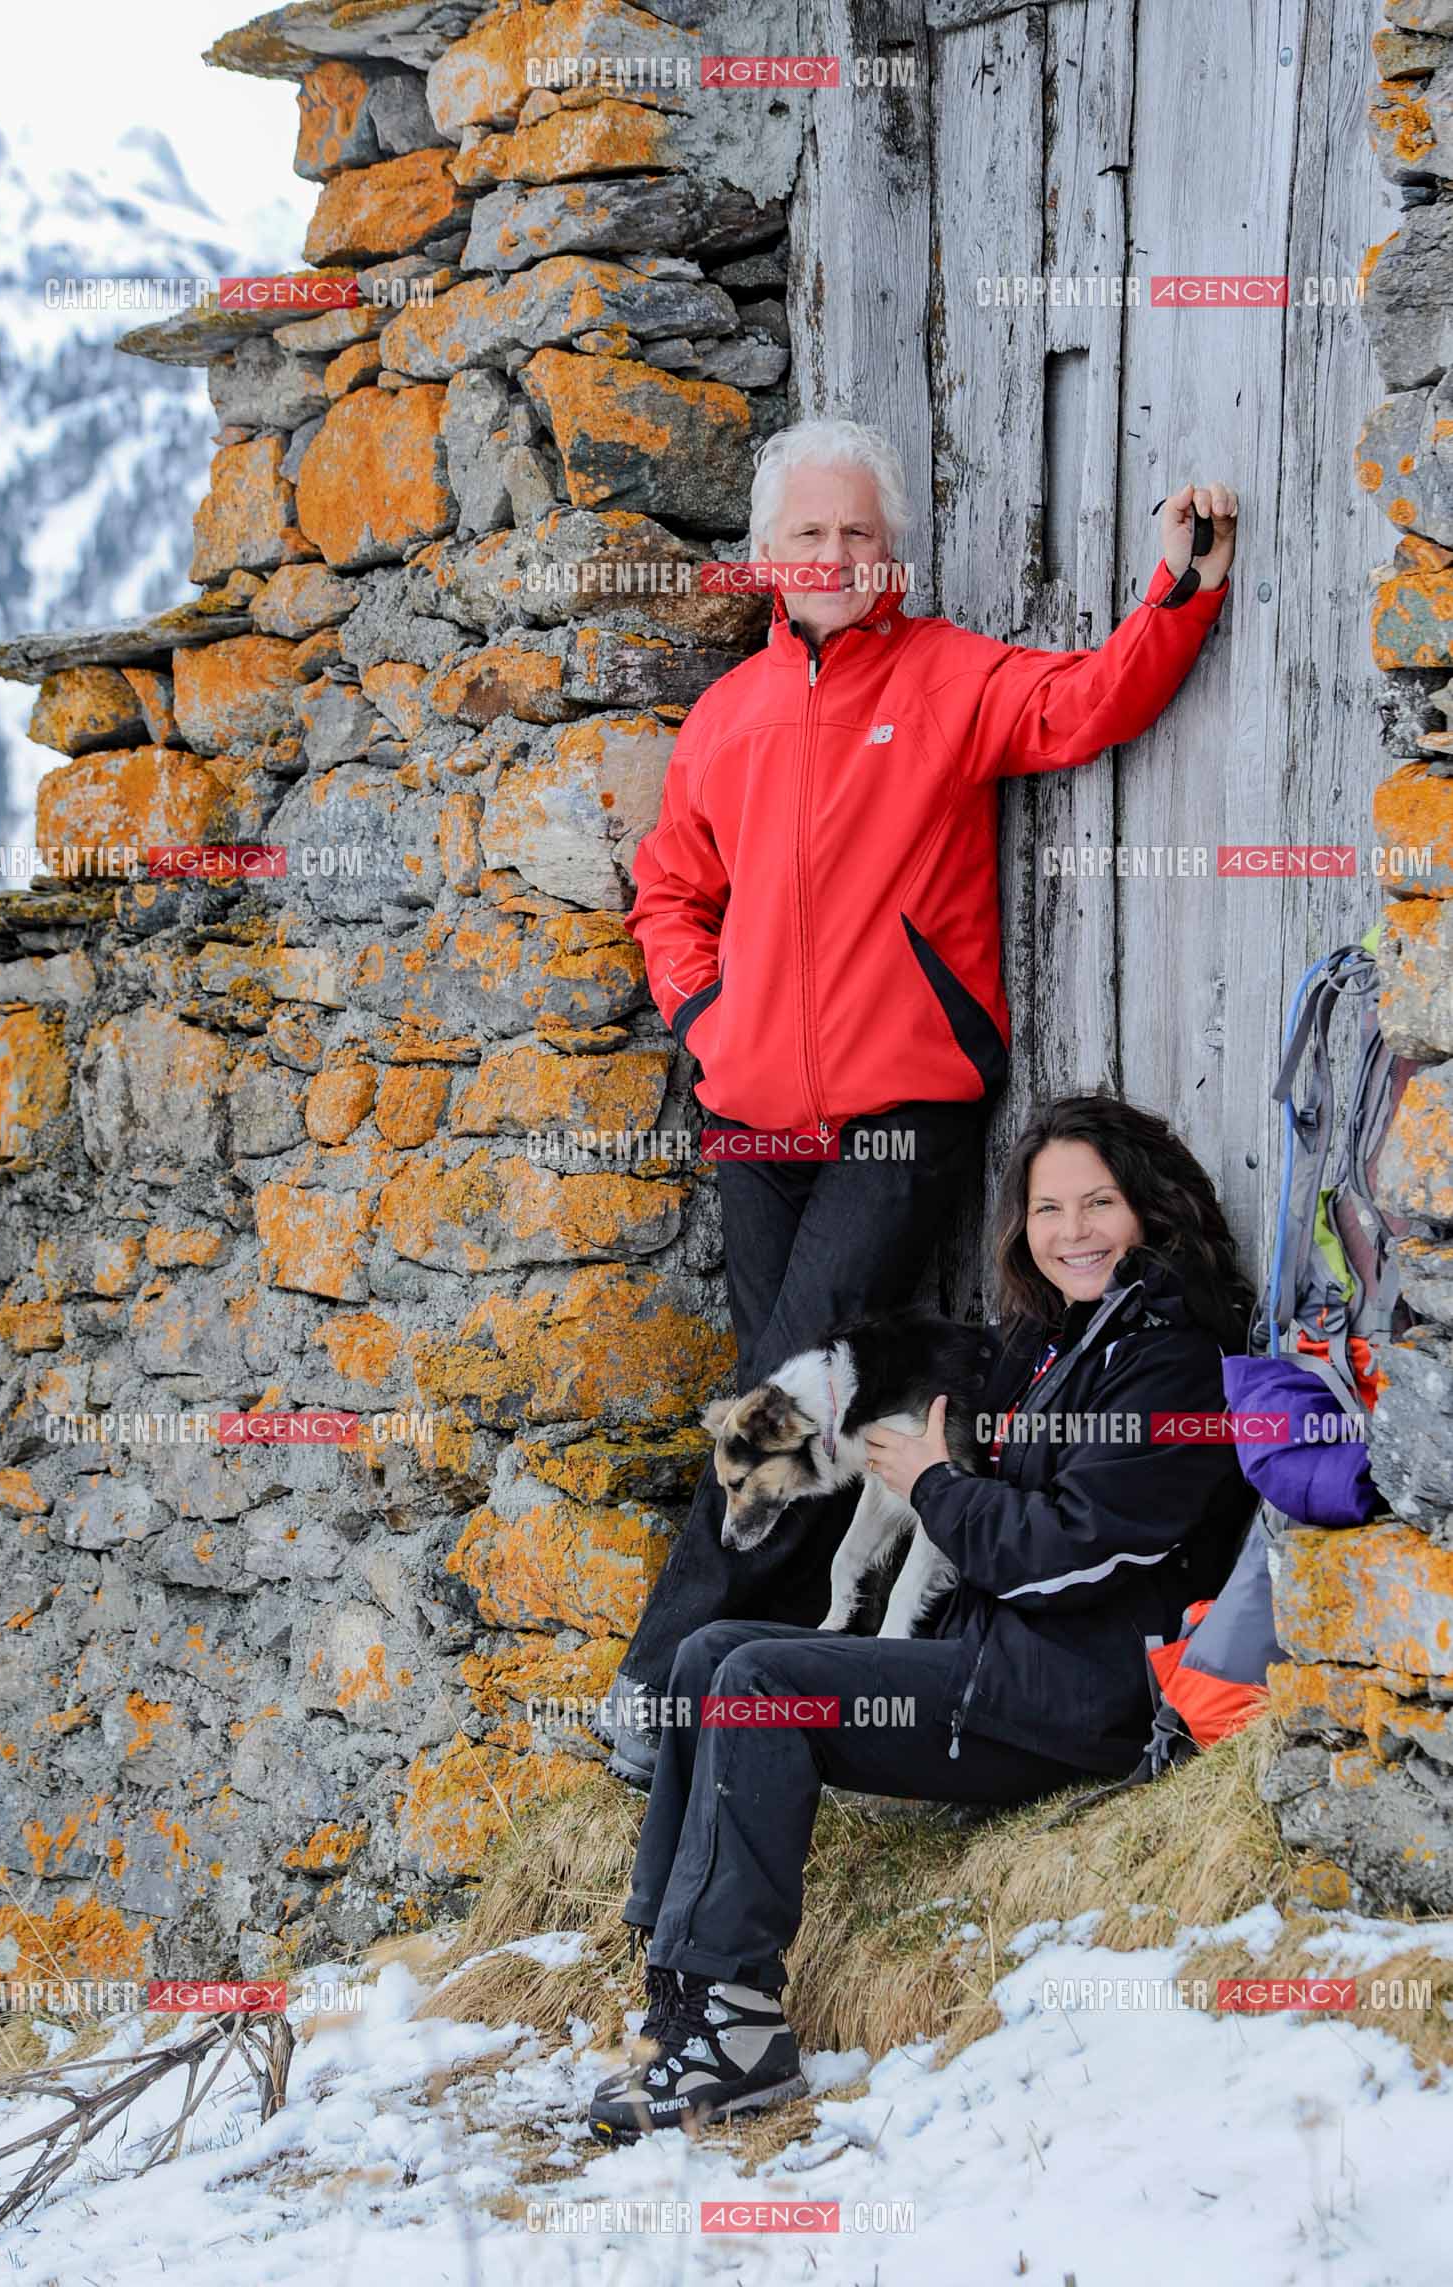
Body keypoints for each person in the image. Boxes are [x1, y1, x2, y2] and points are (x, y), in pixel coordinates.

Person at [604, 416, 1239, 1785]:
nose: (834, 554)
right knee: (792, 1406)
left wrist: (1175, 595)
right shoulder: (728, 719)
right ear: (765, 557)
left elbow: (1084, 703)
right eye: (808, 534)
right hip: (756, 1121)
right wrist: (707, 1019)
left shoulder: (947, 678)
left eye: (858, 533)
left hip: (902, 1113)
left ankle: (659, 1686)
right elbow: (669, 890)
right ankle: (765, 1690)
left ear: (891, 552)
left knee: (775, 1395)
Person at [587, 1095, 1258, 2142]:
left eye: (1099, 1204)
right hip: (997, 1658)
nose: (1071, 1230)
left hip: (1075, 1697)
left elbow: (1080, 1555)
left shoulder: (1172, 1362)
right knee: (709, 1651)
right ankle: (681, 1989)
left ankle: (741, 2028)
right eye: (1048, 1208)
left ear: (1153, 1211)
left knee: (763, 1683)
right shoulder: (1060, 1341)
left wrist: (939, 1485)